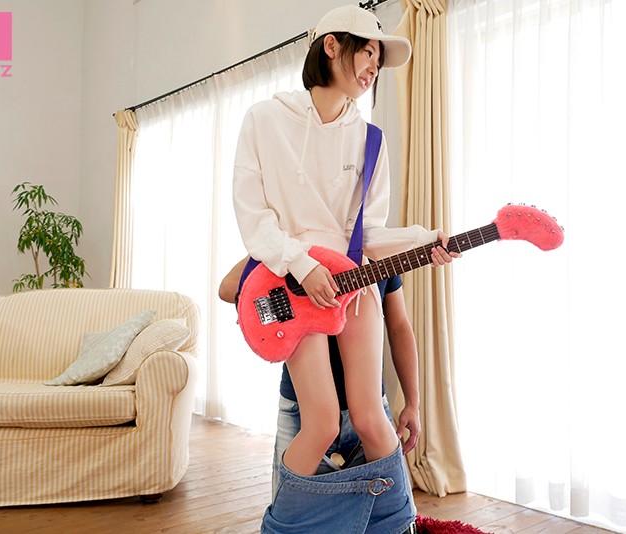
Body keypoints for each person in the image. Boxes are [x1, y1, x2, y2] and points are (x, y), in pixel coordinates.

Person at [231, 5, 460, 532]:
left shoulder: (371, 138)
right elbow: (253, 217)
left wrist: (426, 240)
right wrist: (300, 263)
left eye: (379, 58)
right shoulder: (264, 119)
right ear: (332, 46)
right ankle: (280, 529)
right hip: (292, 284)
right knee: (319, 423)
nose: (374, 65)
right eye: (368, 51)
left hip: (352, 287)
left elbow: (370, 232)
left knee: (373, 418)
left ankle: (398, 526)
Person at [219, 258, 422, 499]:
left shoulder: (376, 250)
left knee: (387, 510)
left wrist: (412, 403)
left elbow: (399, 327)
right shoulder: (295, 246)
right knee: (290, 508)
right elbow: (228, 288)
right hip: (300, 411)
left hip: (372, 410)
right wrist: (290, 261)